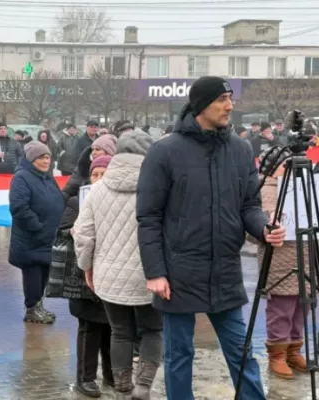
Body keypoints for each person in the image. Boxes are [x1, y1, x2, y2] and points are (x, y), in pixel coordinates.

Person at [136, 76, 287, 400]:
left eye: (230, 98)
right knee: (178, 356)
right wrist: (155, 272)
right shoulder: (164, 152)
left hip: (225, 270)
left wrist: (264, 228)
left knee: (241, 352)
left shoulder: (240, 150)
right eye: (222, 99)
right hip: (178, 273)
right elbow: (148, 218)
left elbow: (249, 206)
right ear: (201, 105)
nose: (230, 106)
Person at [74, 131, 161, 400]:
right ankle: (144, 385)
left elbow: (83, 234)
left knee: (120, 332)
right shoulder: (159, 188)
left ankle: (123, 386)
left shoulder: (97, 190)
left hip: (109, 275)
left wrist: (87, 267)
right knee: (153, 329)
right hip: (151, 274)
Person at [60, 153, 114, 398]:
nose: (99, 179)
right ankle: (86, 377)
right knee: (90, 327)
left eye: (104, 174)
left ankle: (112, 374)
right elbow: (62, 232)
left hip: (111, 273)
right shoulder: (76, 202)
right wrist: (74, 232)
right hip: (84, 275)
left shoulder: (119, 200)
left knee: (113, 327)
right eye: (95, 174)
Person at [255, 152, 309, 380]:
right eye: (284, 165)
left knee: (302, 306)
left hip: (307, 257)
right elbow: (253, 228)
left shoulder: (303, 187)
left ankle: (294, 350)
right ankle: (277, 354)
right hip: (279, 259)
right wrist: (268, 228)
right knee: (281, 309)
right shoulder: (263, 190)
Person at [8, 140, 65, 324]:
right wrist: (38, 226)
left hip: (48, 237)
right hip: (31, 238)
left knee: (44, 274)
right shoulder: (22, 177)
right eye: (41, 157)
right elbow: (19, 208)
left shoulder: (47, 177)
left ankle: (38, 306)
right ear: (31, 159)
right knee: (33, 274)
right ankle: (32, 309)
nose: (46, 161)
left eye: (48, 157)